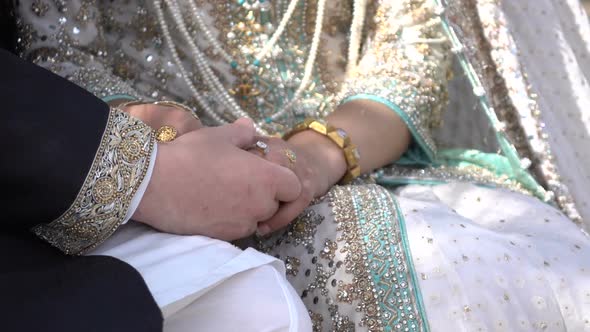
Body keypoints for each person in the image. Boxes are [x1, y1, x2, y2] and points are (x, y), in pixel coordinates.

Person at [9, 0, 590, 331]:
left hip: (358, 164)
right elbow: (55, 54)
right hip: (151, 179)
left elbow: (415, 42)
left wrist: (316, 154)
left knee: (515, 265)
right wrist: (174, 147)